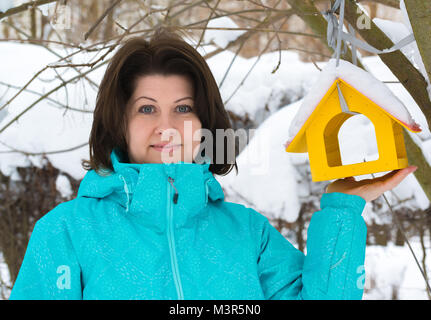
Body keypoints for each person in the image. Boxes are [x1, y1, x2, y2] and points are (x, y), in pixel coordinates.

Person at [9, 27, 417, 300]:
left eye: (183, 108)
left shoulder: (246, 234)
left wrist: (342, 211)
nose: (167, 127)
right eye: (147, 109)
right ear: (118, 123)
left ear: (204, 123)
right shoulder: (66, 232)